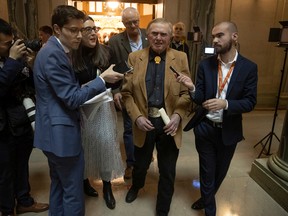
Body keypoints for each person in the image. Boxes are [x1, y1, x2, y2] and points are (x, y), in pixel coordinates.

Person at [33, 5, 123, 216]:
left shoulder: (55, 50)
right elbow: (72, 99)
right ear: (56, 29)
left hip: (52, 132)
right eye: (73, 30)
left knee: (58, 186)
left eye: (80, 30)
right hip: (61, 135)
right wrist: (102, 79)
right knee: (73, 192)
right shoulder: (54, 54)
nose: (79, 35)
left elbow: (64, 92)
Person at [176, 21, 258, 216]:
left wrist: (226, 104)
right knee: (207, 172)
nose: (215, 40)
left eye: (220, 35)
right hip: (205, 128)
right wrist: (192, 87)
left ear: (234, 37)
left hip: (229, 131)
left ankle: (205, 198)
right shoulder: (205, 65)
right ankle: (210, 211)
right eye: (213, 36)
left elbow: (250, 102)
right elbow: (200, 98)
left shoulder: (249, 68)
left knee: (219, 173)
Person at [121, 18, 191, 216]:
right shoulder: (135, 57)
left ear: (170, 37)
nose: (159, 38)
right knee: (140, 164)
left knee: (167, 169)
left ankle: (162, 207)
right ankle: (136, 186)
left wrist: (178, 115)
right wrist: (136, 117)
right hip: (144, 121)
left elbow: (187, 93)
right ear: (147, 35)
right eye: (154, 33)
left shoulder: (181, 58)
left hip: (169, 123)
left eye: (164, 34)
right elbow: (126, 94)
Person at [71, 16, 124, 210]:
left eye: (95, 28)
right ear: (78, 33)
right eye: (87, 30)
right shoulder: (72, 56)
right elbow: (73, 89)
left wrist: (117, 79)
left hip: (103, 109)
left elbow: (115, 82)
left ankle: (107, 187)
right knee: (84, 147)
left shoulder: (106, 52)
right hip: (82, 110)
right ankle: (85, 182)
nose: (93, 33)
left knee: (106, 146)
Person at [0, 18, 49, 215]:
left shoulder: (12, 59)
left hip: (19, 120)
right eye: (6, 44)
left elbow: (28, 85)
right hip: (2, 126)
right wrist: (12, 61)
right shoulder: (10, 60)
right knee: (4, 172)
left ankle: (24, 200)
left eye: (12, 42)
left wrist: (26, 64)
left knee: (21, 164)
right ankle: (6, 209)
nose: (10, 46)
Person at [109, 7, 149, 179]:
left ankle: (145, 160)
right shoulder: (115, 41)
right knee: (128, 128)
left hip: (149, 90)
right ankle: (131, 164)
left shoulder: (150, 35)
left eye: (136, 21)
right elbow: (112, 67)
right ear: (123, 23)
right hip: (127, 90)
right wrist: (116, 90)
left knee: (149, 125)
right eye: (129, 23)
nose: (133, 25)